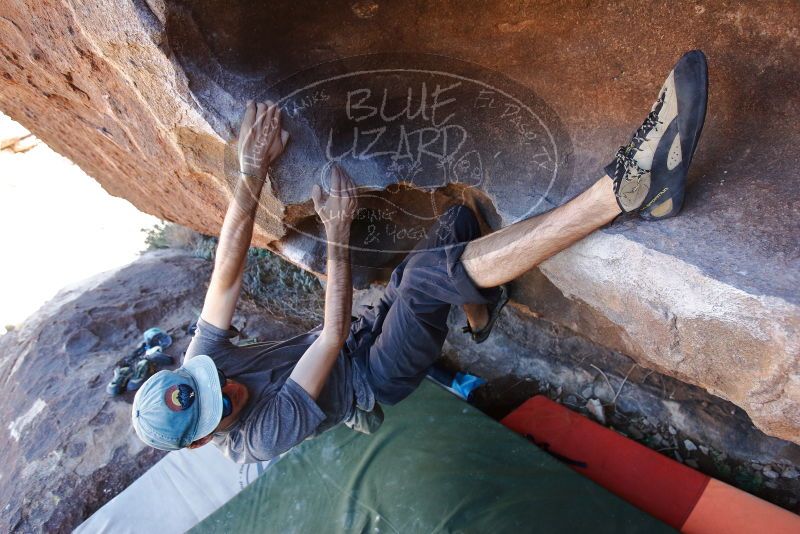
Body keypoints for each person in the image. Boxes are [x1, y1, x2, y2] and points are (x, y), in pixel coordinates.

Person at [131, 51, 707, 463]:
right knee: (428, 279)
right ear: (204, 439)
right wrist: (337, 229)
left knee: (456, 224)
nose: (227, 387)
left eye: (212, 381)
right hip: (372, 374)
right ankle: (626, 192)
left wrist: (252, 172)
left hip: (359, 335)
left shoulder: (199, 369)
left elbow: (225, 274)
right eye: (219, 406)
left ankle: (484, 310)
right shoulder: (260, 436)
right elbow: (329, 341)